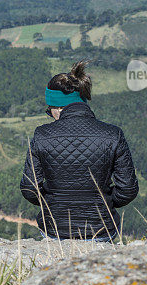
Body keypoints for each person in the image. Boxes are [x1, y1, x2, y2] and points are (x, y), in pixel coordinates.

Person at [20, 60, 138, 241]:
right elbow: (128, 189)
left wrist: (53, 202)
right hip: (101, 229)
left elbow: (30, 188)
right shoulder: (113, 134)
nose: (50, 115)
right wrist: (103, 202)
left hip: (55, 230)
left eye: (49, 110)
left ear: (58, 107)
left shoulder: (42, 135)